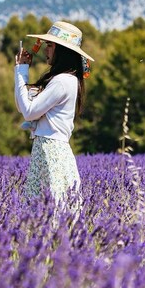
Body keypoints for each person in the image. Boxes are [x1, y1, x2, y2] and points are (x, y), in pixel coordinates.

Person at [14, 21, 94, 212]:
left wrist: (21, 72)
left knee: (52, 211)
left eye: (50, 45)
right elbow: (22, 105)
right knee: (42, 213)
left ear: (62, 50)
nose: (46, 50)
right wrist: (21, 71)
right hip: (46, 149)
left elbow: (28, 111)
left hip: (51, 151)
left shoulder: (62, 82)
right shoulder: (63, 80)